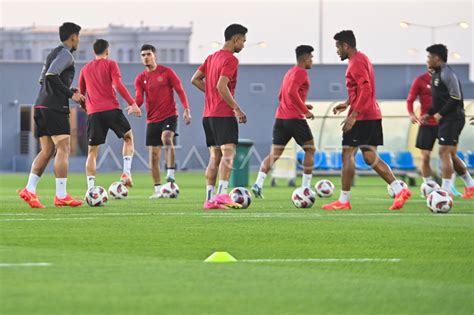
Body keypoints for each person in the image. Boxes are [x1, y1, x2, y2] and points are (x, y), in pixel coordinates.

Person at [322, 30, 412, 210]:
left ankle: (343, 201)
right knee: (370, 156)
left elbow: (366, 89)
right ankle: (398, 189)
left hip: (362, 117)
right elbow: (360, 89)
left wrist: (353, 116)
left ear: (346, 46)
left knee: (347, 155)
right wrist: (348, 103)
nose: (337, 51)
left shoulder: (356, 63)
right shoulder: (362, 59)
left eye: (338, 47)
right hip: (371, 114)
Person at [18, 22, 85, 208]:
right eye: (78, 37)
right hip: (55, 108)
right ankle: (61, 195)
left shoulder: (52, 53)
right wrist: (71, 94)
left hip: (41, 105)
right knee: (64, 148)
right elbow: (50, 76)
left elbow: (44, 79)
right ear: (73, 37)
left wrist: (68, 89)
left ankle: (29, 190)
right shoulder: (66, 54)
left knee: (47, 150)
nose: (79, 40)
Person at [191, 24, 248, 209]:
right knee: (228, 153)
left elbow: (195, 80)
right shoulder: (230, 60)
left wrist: (210, 94)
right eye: (243, 41)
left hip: (208, 115)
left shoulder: (211, 58)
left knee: (214, 157)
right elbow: (221, 86)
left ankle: (209, 199)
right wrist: (237, 108)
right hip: (223, 114)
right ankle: (223, 194)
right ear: (236, 39)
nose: (244, 45)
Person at [252, 45, 316, 198]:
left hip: (280, 119)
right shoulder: (301, 72)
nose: (312, 61)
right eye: (311, 58)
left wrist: (301, 104)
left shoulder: (289, 72)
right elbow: (291, 92)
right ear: (306, 58)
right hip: (295, 119)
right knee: (310, 149)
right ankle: (306, 188)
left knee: (274, 154)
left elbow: (281, 96)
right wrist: (304, 110)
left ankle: (258, 183)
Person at [78, 39, 142, 193]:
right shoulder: (111, 64)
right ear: (107, 51)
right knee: (128, 137)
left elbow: (81, 95)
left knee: (92, 151)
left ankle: (91, 190)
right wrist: (133, 103)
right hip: (111, 110)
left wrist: (86, 108)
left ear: (94, 52)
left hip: (94, 113)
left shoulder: (85, 69)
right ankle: (126, 172)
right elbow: (119, 85)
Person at [135, 44, 192, 198]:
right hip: (152, 119)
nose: (146, 57)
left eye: (148, 54)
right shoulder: (140, 78)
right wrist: (134, 106)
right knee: (153, 155)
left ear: (155, 55)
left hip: (169, 114)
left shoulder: (166, 72)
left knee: (166, 138)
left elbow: (180, 90)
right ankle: (157, 189)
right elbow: (139, 97)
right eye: (143, 55)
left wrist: (186, 108)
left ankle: (171, 173)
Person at [420, 44, 473, 199]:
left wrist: (440, 114)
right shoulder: (435, 74)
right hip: (447, 118)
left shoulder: (447, 73)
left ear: (437, 58)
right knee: (451, 154)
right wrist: (429, 113)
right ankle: (470, 184)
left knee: (443, 151)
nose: (427, 60)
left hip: (453, 118)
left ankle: (446, 190)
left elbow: (455, 97)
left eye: (429, 57)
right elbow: (438, 101)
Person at [407, 69, 462, 196]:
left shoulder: (447, 79)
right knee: (425, 157)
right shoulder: (420, 80)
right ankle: (428, 187)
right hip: (427, 124)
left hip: (445, 123)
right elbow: (410, 99)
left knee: (449, 156)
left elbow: (454, 98)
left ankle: (449, 187)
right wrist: (411, 114)